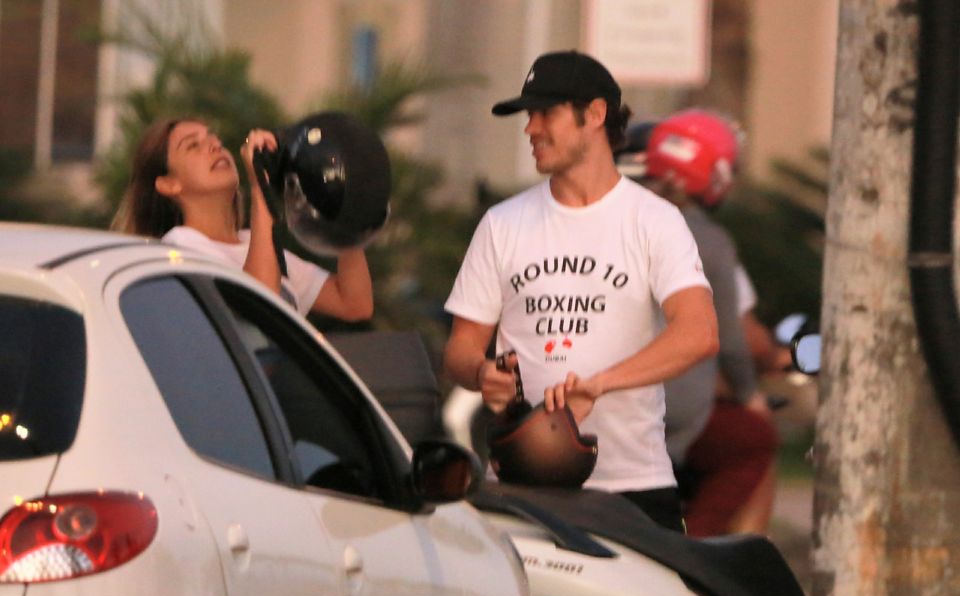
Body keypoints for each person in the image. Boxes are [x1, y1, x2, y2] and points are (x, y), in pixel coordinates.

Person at [442, 50, 717, 532]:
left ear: (594, 115)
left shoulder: (653, 221)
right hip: (521, 487)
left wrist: (602, 383)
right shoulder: (502, 224)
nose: (530, 129)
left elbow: (699, 333)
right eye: (528, 116)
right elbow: (460, 349)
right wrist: (482, 372)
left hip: (632, 488)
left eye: (545, 113)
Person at [640, 110, 782, 537]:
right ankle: (698, 550)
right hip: (665, 407)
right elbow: (732, 341)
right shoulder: (710, 240)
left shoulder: (620, 218)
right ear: (714, 174)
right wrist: (750, 394)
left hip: (594, 391)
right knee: (754, 440)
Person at [113, 117, 374, 321]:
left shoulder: (254, 243)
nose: (215, 145)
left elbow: (354, 304)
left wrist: (343, 206)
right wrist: (261, 185)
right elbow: (259, 310)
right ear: (169, 184)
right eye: (194, 145)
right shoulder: (178, 249)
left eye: (213, 138)